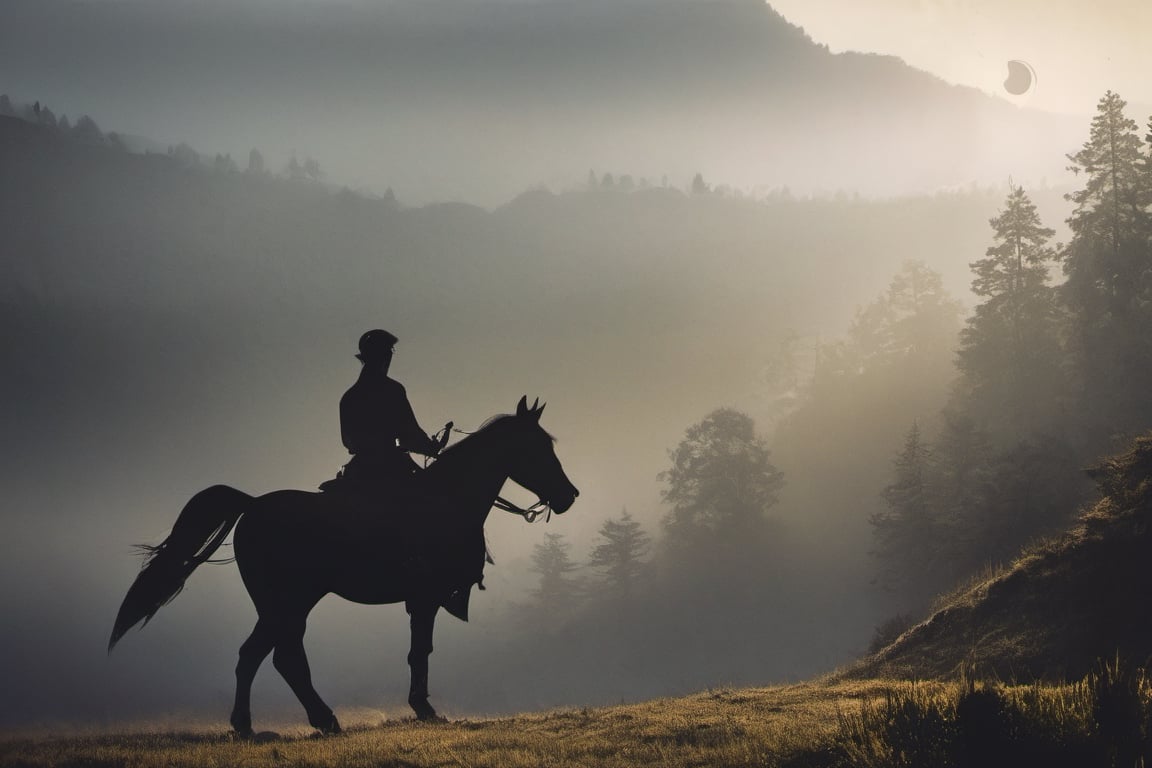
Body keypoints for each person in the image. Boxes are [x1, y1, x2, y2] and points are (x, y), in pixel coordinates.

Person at [335, 329, 445, 502]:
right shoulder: (392, 390)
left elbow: (348, 441)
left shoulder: (349, 397)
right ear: (383, 355)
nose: (390, 356)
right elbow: (409, 433)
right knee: (431, 501)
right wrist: (430, 447)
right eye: (388, 351)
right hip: (391, 470)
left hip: (357, 471)